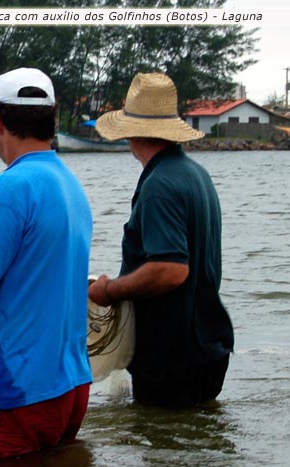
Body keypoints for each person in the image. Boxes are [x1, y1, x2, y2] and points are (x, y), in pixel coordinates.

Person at [0, 68, 93, 458]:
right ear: (51, 119)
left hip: (17, 392)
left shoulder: (9, 188)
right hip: (72, 385)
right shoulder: (72, 185)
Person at [89, 73, 234, 408]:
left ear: (131, 132)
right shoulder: (195, 173)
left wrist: (108, 291)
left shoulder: (159, 186)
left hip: (172, 356)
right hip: (209, 345)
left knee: (161, 448)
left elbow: (170, 270)